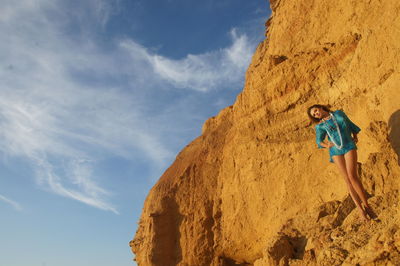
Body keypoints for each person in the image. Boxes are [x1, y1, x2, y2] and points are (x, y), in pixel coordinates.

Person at [307, 104, 376, 222]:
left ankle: (367, 206)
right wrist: (327, 144)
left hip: (349, 145)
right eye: (314, 114)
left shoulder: (338, 114)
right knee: (347, 180)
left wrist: (355, 135)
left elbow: (349, 124)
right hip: (335, 151)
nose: (316, 114)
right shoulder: (320, 126)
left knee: (353, 176)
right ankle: (360, 210)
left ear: (321, 108)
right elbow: (319, 141)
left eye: (316, 111)